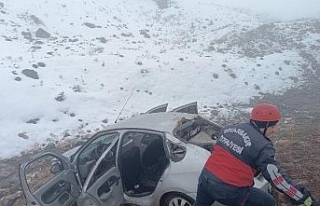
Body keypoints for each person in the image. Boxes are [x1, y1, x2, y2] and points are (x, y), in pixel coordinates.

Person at [194, 103, 319, 206]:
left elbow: (218, 151)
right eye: (273, 126)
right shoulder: (262, 147)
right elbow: (278, 180)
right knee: (268, 202)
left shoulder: (228, 129)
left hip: (205, 179)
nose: (275, 130)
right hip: (229, 190)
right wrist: (304, 199)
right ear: (265, 125)